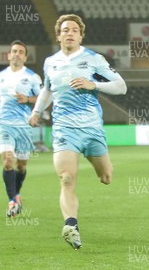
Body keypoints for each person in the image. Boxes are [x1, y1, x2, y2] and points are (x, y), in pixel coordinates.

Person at [29, 14, 127, 250]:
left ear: (81, 35)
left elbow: (121, 86)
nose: (69, 33)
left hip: (92, 128)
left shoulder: (93, 59)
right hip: (64, 129)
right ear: (59, 35)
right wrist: (36, 111)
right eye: (65, 30)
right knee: (66, 178)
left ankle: (99, 171)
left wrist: (94, 84)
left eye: (74, 29)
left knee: (106, 177)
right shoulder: (50, 62)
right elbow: (47, 89)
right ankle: (71, 225)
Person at [0, 41, 42, 217]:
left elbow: (43, 99)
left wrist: (28, 100)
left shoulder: (32, 77)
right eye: (14, 51)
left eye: (21, 52)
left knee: (21, 166)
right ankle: (12, 201)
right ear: (9, 55)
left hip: (24, 127)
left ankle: (16, 193)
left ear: (25, 57)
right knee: (8, 161)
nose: (17, 54)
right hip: (5, 125)